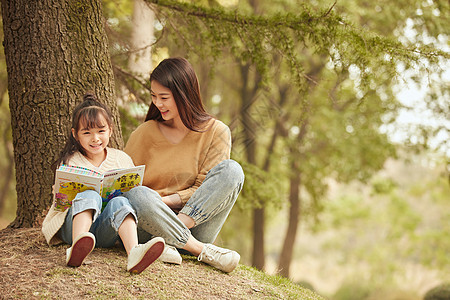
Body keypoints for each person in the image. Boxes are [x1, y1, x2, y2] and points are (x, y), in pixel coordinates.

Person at [124, 57, 245, 273]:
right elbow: (124, 185)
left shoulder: (217, 132)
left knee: (232, 170)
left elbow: (204, 189)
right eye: (153, 96)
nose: (157, 104)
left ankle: (168, 239)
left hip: (196, 225)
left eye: (164, 97)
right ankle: (201, 251)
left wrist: (164, 202)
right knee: (137, 194)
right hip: (147, 228)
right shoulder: (144, 133)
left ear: (184, 94)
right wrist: (153, 204)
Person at [42, 92, 165, 274]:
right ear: (75, 135)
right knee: (89, 195)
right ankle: (78, 246)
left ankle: (134, 253)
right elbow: (61, 202)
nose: (95, 139)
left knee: (121, 202)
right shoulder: (70, 161)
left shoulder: (121, 159)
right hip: (72, 227)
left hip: (105, 230)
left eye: (101, 131)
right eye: (87, 133)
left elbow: (133, 193)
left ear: (110, 130)